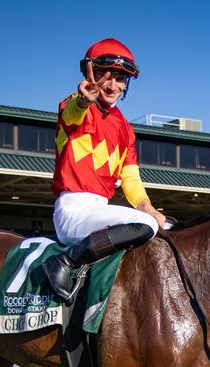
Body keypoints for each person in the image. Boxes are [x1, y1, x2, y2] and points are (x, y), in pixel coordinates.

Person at [42, 38, 167, 301]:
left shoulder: (125, 129)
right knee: (144, 225)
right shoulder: (74, 105)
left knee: (164, 225)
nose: (112, 86)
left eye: (120, 79)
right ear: (91, 75)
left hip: (99, 210)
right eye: (105, 76)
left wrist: (150, 209)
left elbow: (130, 177)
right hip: (73, 210)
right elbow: (71, 116)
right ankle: (63, 262)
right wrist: (82, 102)